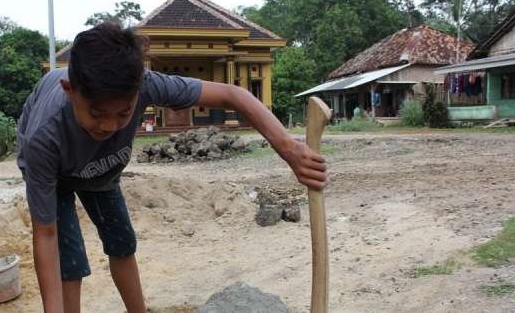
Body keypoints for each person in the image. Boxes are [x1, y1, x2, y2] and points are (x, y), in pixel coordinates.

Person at [17, 22, 327, 313]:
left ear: (140, 90)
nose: (109, 126)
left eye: (123, 114)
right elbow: (45, 236)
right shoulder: (43, 137)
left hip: (100, 169)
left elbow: (235, 94)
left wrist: (288, 148)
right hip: (54, 172)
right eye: (97, 114)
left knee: (122, 241)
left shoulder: (148, 84)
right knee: (69, 259)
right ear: (70, 91)